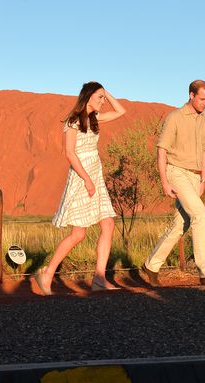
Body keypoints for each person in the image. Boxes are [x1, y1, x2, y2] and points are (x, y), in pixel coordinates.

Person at [33, 81, 126, 295]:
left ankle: (99, 278)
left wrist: (105, 91)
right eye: (99, 97)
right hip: (82, 178)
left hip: (96, 176)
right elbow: (69, 153)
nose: (103, 101)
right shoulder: (73, 121)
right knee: (78, 234)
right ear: (88, 96)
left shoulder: (95, 119)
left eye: (103, 97)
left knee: (109, 224)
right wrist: (87, 179)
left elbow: (121, 111)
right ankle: (47, 274)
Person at [139, 80, 205, 286]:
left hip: (195, 176)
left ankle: (151, 265)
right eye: (202, 99)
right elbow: (161, 150)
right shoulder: (175, 118)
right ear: (191, 95)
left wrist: (203, 179)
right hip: (176, 172)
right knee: (199, 214)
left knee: (181, 224)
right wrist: (164, 181)